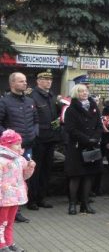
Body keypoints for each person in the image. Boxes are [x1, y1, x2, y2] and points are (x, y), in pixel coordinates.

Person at [0, 72, 38, 224]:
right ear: (12, 84)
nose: (25, 83)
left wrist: (35, 133)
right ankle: (6, 210)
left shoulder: (30, 101)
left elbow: (36, 120)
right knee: (8, 179)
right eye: (21, 81)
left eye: (25, 81)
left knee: (23, 178)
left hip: (27, 146)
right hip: (10, 150)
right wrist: (8, 137)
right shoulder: (4, 101)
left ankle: (17, 210)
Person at [63, 83, 102, 215]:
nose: (84, 93)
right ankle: (73, 204)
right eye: (81, 91)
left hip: (92, 146)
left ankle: (85, 204)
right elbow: (70, 129)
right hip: (77, 147)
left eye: (85, 91)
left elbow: (98, 124)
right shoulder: (71, 109)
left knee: (88, 176)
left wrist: (96, 138)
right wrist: (86, 139)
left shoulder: (93, 106)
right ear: (76, 93)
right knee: (76, 176)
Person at [27, 71, 58, 211]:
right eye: (45, 79)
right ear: (38, 81)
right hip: (38, 139)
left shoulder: (52, 96)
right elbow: (32, 119)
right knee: (36, 170)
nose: (49, 82)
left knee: (46, 169)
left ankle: (41, 197)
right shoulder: (33, 96)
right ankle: (32, 199)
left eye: (50, 79)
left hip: (51, 137)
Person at [0, 130, 35, 252]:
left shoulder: (20, 159)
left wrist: (30, 167)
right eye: (16, 144)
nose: (20, 146)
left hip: (15, 196)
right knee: (2, 222)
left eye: (20, 143)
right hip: (4, 197)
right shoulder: (1, 160)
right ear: (7, 144)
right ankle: (1, 245)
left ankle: (9, 242)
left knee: (10, 221)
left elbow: (24, 177)